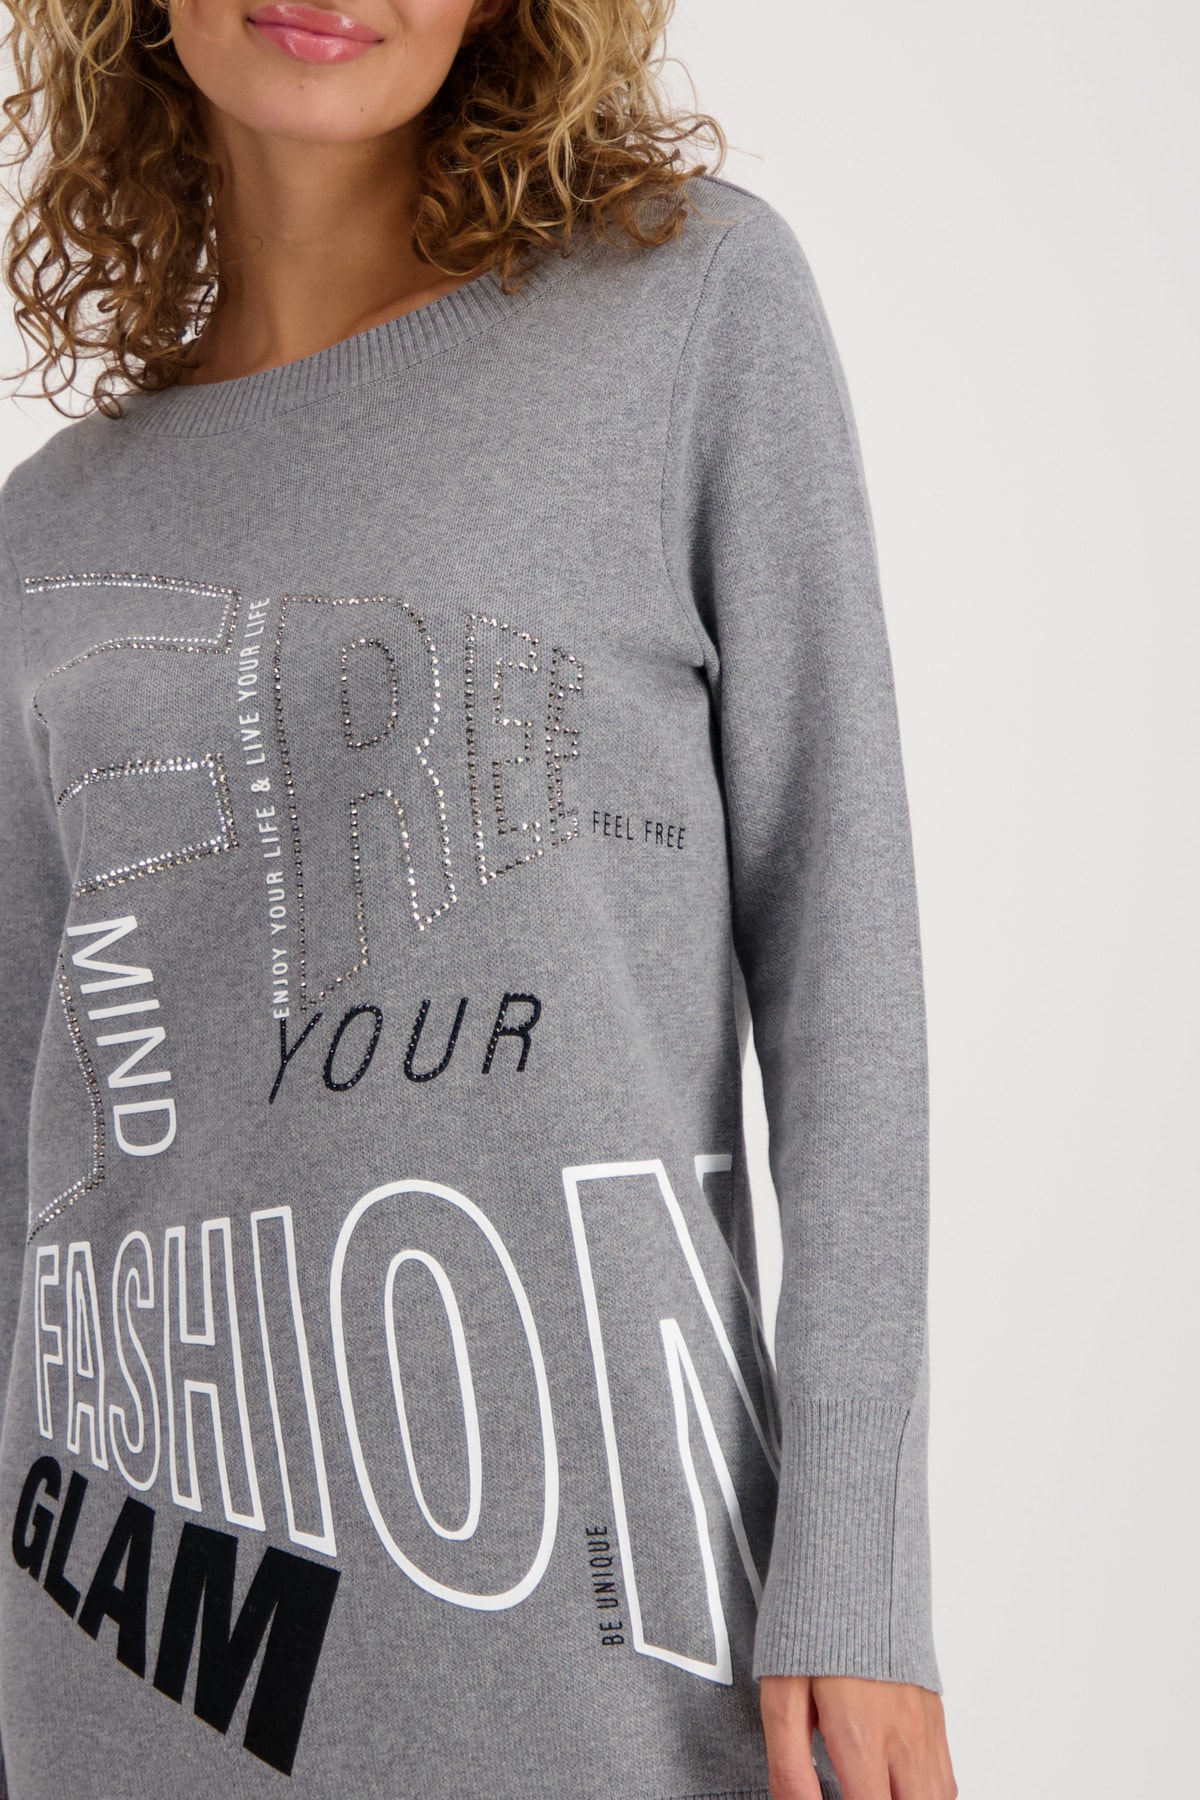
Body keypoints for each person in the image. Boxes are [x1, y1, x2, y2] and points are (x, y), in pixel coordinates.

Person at [0, 1, 958, 1796]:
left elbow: (847, 964)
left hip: (614, 1658)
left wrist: (856, 1574)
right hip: (136, 1655)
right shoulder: (43, 534)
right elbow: (22, 1161)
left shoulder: (689, 313)